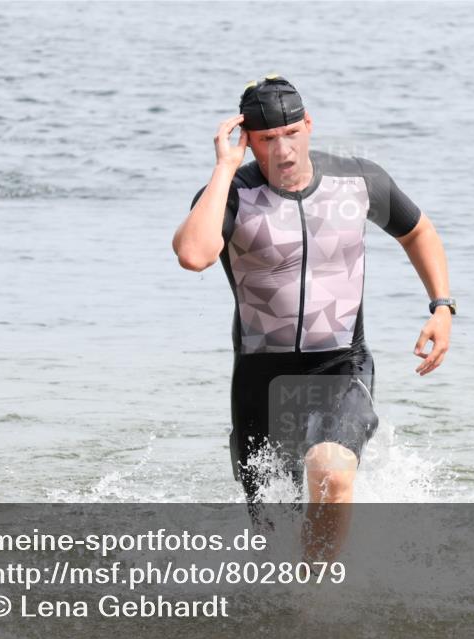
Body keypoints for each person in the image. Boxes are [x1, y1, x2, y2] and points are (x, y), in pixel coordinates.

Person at [172, 75, 454, 549]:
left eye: (291, 133)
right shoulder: (232, 195)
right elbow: (194, 254)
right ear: (247, 141)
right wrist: (224, 168)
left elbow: (417, 232)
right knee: (272, 536)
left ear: (308, 125)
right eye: (266, 140)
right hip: (260, 377)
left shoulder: (358, 181)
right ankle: (291, 607)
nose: (282, 149)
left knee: (332, 473)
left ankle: (319, 608)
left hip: (339, 363)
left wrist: (441, 305)